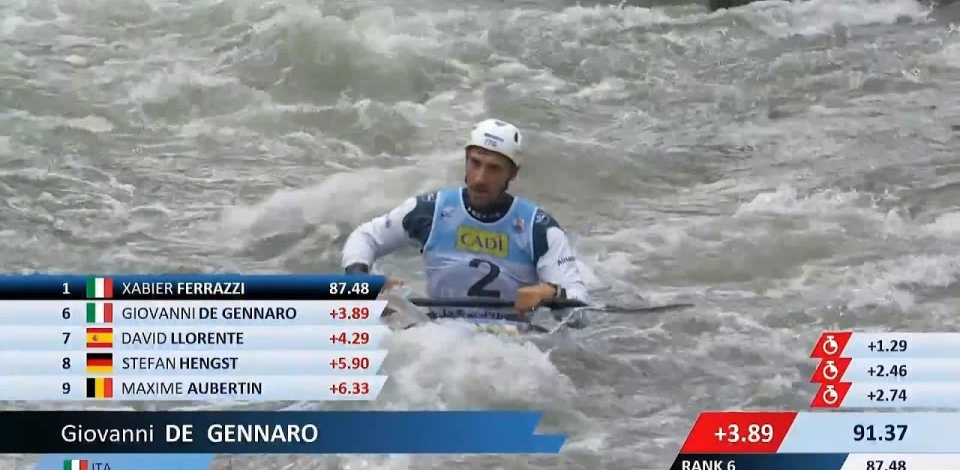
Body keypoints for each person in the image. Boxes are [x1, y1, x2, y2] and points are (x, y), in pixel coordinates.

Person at [340, 118, 590, 329]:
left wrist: (551, 293)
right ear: (466, 160)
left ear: (512, 174)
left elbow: (580, 315)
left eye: (493, 169)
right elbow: (365, 237)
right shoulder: (430, 210)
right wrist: (360, 279)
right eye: (475, 163)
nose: (480, 178)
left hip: (510, 346)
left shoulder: (539, 229)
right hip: (440, 337)